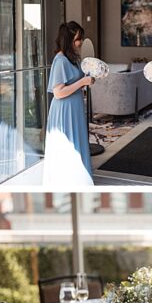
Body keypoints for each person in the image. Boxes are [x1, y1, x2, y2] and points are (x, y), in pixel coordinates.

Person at [42, 21, 95, 185]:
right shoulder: (61, 61)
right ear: (69, 40)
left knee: (76, 142)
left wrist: (87, 80)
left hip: (75, 108)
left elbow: (76, 82)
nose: (81, 42)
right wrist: (82, 82)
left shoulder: (73, 59)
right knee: (68, 145)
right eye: (78, 39)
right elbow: (58, 92)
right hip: (64, 110)